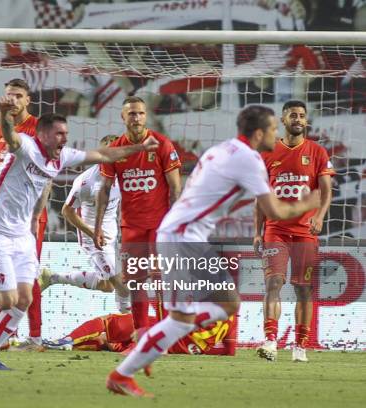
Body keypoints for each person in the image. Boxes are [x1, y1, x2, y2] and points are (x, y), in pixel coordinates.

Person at [106, 105, 322, 397]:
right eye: (272, 129)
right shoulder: (250, 160)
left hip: (180, 234)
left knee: (225, 303)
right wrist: (308, 204)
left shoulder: (222, 149)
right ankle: (149, 345)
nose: (276, 133)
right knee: (220, 305)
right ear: (259, 133)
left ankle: (143, 353)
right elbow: (276, 210)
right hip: (183, 239)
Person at [0, 96, 160, 370]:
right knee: (7, 300)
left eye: (66, 133)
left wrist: (140, 147)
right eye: (59, 134)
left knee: (25, 298)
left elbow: (103, 155)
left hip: (22, 236)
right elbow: (10, 136)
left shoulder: (62, 156)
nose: (64, 139)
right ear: (42, 135)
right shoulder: (25, 147)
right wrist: (5, 115)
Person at [254, 100, 334, 363]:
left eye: (302, 115)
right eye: (293, 115)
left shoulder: (317, 152)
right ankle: (270, 340)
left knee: (303, 289)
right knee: (273, 283)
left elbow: (325, 190)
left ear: (306, 120)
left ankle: (300, 344)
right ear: (283, 119)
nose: (298, 119)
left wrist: (320, 217)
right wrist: (257, 231)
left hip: (305, 233)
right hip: (275, 230)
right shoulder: (268, 152)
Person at [96, 96, 182, 329]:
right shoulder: (114, 150)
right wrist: (97, 228)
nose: (137, 117)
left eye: (141, 113)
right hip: (131, 226)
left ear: (146, 116)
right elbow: (104, 190)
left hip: (159, 225)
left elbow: (175, 188)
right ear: (123, 117)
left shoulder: (162, 144)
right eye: (132, 113)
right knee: (135, 282)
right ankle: (142, 334)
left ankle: (164, 334)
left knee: (161, 278)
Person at [39, 134, 130, 312]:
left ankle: (52, 277)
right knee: (122, 284)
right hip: (93, 240)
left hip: (112, 236)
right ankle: (129, 322)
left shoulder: (126, 175)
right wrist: (92, 233)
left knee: (107, 286)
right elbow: (67, 211)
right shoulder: (86, 181)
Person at [0, 78, 45, 350]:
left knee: (27, 276)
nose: (12, 100)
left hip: (27, 214)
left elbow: (47, 174)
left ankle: (35, 337)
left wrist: (36, 215)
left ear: (28, 100)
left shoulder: (39, 129)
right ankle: (3, 337)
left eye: (18, 96)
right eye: (8, 95)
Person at [44, 311, 236, 356]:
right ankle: (64, 345)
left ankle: (66, 340)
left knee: (109, 322)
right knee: (107, 342)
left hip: (164, 332)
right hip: (178, 348)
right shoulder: (232, 314)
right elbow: (229, 350)